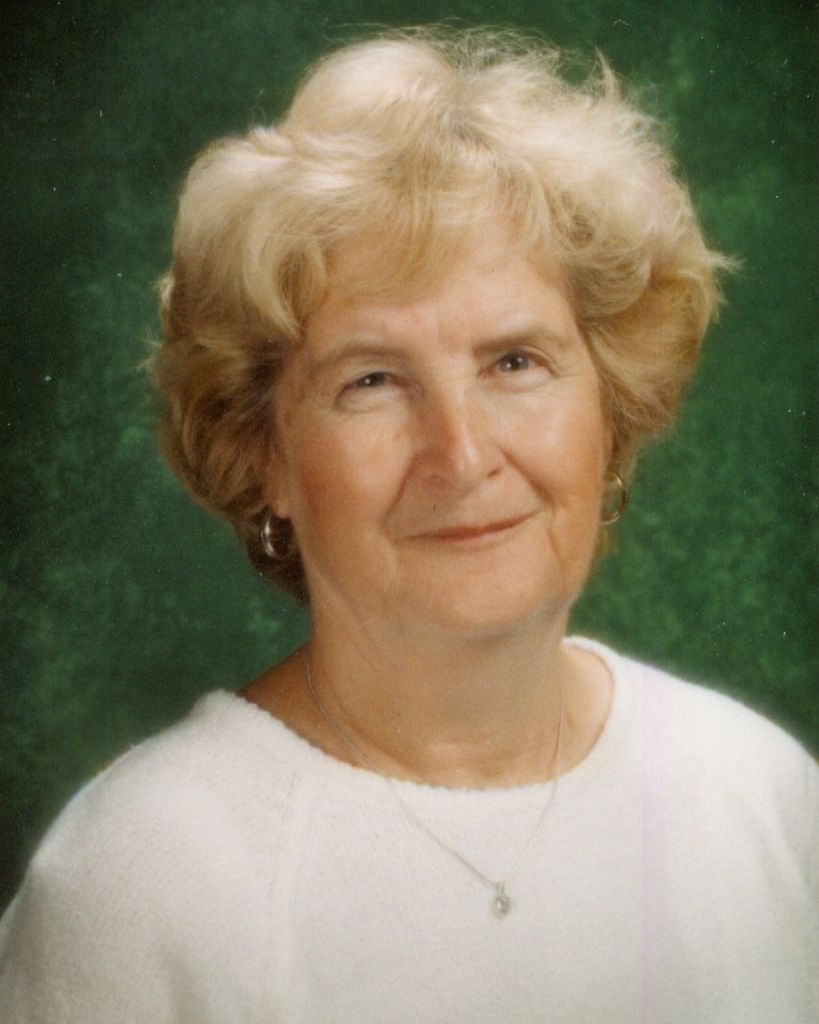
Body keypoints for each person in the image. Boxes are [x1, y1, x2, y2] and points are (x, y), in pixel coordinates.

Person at [1, 27, 816, 1024]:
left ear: (610, 408)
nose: (462, 454)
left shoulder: (762, 794)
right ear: (263, 454)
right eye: (373, 380)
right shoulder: (135, 887)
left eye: (514, 361)